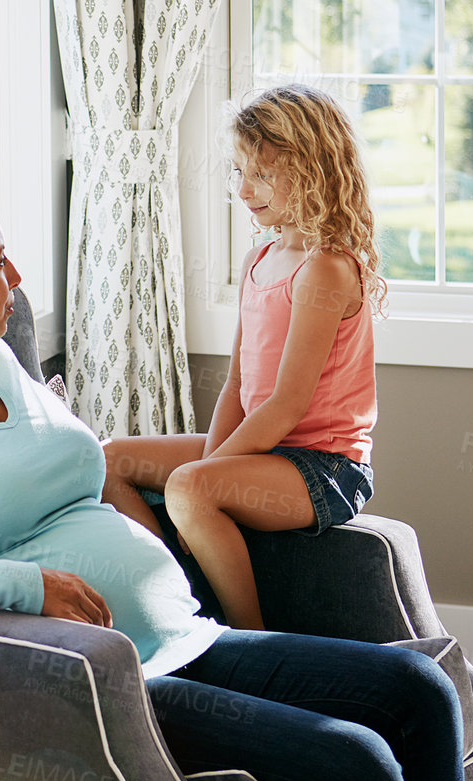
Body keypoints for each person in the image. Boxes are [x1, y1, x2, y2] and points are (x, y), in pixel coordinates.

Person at [0, 179, 462, 781]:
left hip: (188, 631)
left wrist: (167, 559)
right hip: (112, 682)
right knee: (356, 758)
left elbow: (88, 473)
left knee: (421, 692)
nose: (16, 277)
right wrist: (16, 582)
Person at [102, 84, 382, 629]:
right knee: (110, 458)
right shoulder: (263, 257)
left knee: (189, 485)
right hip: (265, 452)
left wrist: (205, 472)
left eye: (262, 174)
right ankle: (179, 588)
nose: (244, 188)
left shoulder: (325, 268)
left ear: (313, 171)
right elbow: (236, 385)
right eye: (238, 172)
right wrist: (210, 466)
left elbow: (284, 406)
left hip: (322, 466)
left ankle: (248, 634)